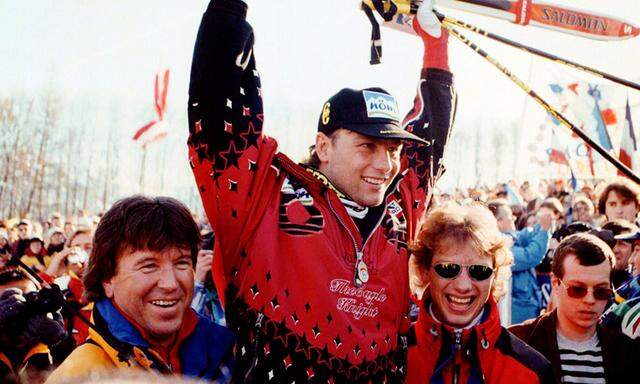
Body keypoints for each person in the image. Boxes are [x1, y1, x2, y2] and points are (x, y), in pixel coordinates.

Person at [187, 0, 456, 381]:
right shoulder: (264, 195)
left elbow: (430, 145)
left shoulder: (399, 212)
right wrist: (229, 8)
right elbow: (220, 111)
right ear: (324, 146)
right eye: (368, 146)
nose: (385, 165)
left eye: (392, 150)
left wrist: (436, 48)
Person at [46, 196, 235, 383]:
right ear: (107, 279)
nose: (170, 283)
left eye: (181, 263)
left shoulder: (227, 349)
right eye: (149, 265)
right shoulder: (80, 376)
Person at [406, 202, 554, 383]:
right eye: (448, 268)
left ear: (495, 275)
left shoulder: (533, 371)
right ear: (425, 271)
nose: (463, 286)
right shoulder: (391, 358)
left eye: (479, 271)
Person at [510, 233, 640, 383]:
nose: (590, 300)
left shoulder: (627, 352)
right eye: (577, 289)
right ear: (555, 284)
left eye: (601, 291)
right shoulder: (516, 344)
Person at [0, 267, 69, 383]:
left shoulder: (52, 345)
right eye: (6, 301)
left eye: (27, 299)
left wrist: (61, 343)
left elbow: (89, 377)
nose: (18, 310)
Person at [488, 199, 552, 324]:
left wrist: (541, 223)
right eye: (509, 215)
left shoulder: (511, 237)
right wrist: (544, 230)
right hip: (516, 313)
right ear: (499, 222)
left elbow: (526, 235)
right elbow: (530, 256)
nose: (514, 218)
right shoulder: (498, 246)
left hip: (524, 308)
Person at [601, 219, 637, 289]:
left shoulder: (636, 287)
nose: (615, 250)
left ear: (633, 250)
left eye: (622, 244)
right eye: (610, 243)